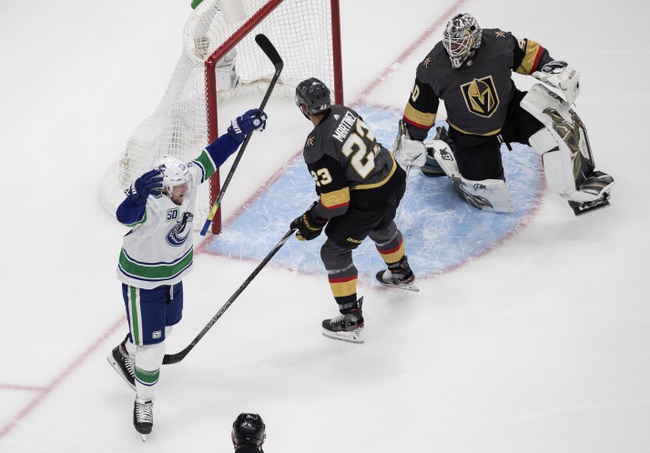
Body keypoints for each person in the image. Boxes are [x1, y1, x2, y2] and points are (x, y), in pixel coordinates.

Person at [106, 109, 268, 440]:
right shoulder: (151, 203)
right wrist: (135, 197)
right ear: (163, 190)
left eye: (184, 184)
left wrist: (236, 133)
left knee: (168, 324)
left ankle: (127, 351)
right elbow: (125, 217)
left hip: (173, 276)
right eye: (178, 187)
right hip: (144, 283)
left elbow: (209, 159)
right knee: (154, 348)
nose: (185, 189)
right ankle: (144, 399)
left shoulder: (185, 181)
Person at [394, 13, 614, 215]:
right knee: (489, 194)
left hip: (510, 112)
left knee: (556, 128)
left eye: (459, 43)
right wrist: (413, 139)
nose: (453, 48)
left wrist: (549, 66)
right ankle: (445, 150)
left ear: (474, 41)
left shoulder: (498, 43)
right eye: (450, 43)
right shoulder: (432, 67)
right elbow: (421, 108)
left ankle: (581, 182)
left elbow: (528, 53)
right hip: (470, 134)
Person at [291, 77, 418, 345]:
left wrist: (314, 218)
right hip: (393, 176)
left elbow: (337, 203)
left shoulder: (315, 146)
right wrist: (318, 212)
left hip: (371, 196)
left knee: (334, 251)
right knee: (380, 223)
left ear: (303, 109)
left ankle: (351, 319)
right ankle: (401, 272)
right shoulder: (343, 111)